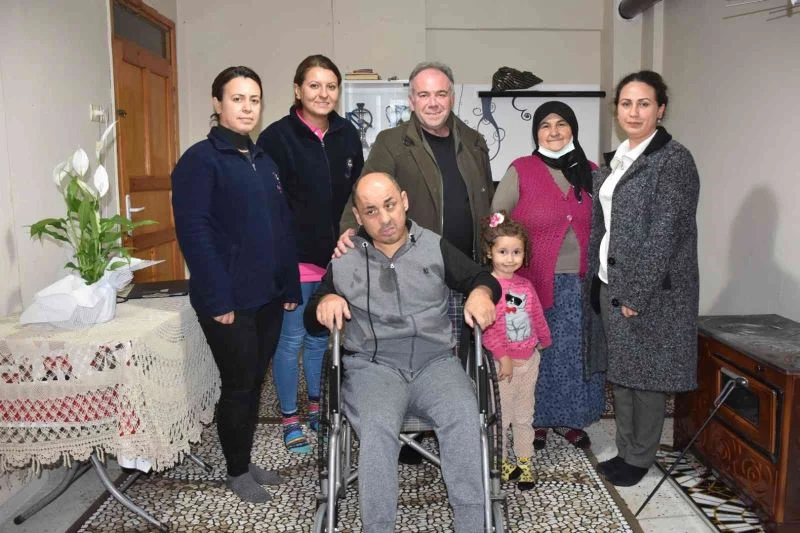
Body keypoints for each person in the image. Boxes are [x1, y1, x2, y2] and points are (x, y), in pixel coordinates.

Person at [305, 172, 500, 533]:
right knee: (377, 425)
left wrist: (481, 292)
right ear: (358, 216)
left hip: (435, 363)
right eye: (371, 211)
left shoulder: (433, 246)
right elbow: (312, 318)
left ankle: (473, 523)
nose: (385, 218)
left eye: (390, 205)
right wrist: (326, 299)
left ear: (405, 201)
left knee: (463, 415)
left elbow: (481, 277)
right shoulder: (346, 258)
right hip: (373, 368)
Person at [337, 61, 494, 463]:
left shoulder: (474, 141)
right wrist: (349, 235)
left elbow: (484, 200)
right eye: (423, 94)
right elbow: (365, 195)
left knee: (452, 356)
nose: (433, 102)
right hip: (412, 266)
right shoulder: (392, 142)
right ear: (411, 100)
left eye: (441, 93)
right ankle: (409, 433)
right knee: (410, 344)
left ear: (452, 96)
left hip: (461, 266)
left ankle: (446, 428)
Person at [172, 66, 301, 503]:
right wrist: (217, 298)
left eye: (254, 100)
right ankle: (237, 471)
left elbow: (282, 228)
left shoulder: (263, 161)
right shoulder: (200, 160)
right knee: (239, 384)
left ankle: (243, 459)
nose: (247, 108)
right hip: (229, 301)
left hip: (268, 296)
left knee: (254, 381)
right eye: (237, 98)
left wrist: (290, 286)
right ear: (217, 103)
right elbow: (195, 234)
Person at [585, 71, 700, 487]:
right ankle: (626, 448)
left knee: (647, 376)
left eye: (644, 103)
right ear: (616, 109)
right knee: (623, 373)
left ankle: (638, 457)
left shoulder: (673, 160)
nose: (633, 112)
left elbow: (664, 235)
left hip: (649, 289)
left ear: (661, 109)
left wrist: (637, 291)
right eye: (626, 103)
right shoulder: (618, 158)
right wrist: (598, 278)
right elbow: (606, 224)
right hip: (611, 281)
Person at [256, 54, 364, 454]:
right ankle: (289, 417)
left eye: (331, 86)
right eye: (314, 85)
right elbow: (268, 207)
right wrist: (279, 262)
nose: (323, 93)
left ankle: (317, 409)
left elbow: (357, 194)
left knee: (321, 337)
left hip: (337, 257)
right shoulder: (276, 138)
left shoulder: (347, 135)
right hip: (294, 257)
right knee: (292, 339)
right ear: (298, 90)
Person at [492, 101, 606, 450]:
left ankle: (572, 420)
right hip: (530, 284)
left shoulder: (590, 171)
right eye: (545, 125)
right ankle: (535, 421)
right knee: (534, 354)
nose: (553, 131)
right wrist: (503, 263)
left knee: (575, 355)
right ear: (536, 133)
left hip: (582, 283)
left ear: (573, 129)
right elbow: (496, 219)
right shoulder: (521, 169)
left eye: (561, 124)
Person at [479, 211, 551, 491]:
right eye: (503, 252)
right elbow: (488, 330)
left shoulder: (526, 285)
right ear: (490, 252)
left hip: (529, 360)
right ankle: (501, 462)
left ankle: (524, 461)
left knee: (524, 416)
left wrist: (544, 339)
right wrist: (503, 357)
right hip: (503, 366)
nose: (510, 258)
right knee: (503, 417)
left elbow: (536, 315)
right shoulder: (487, 288)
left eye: (516, 252)